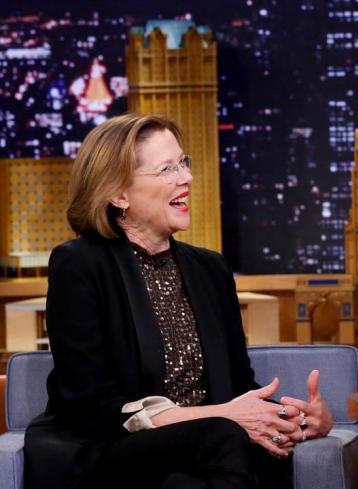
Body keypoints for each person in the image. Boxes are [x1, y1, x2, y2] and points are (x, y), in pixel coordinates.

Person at [24, 114, 334, 489]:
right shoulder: (80, 264)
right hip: (113, 448)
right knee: (224, 439)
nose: (186, 177)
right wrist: (222, 418)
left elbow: (238, 389)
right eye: (167, 168)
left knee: (237, 460)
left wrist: (299, 420)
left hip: (209, 453)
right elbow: (91, 406)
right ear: (119, 194)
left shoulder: (211, 269)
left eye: (183, 163)